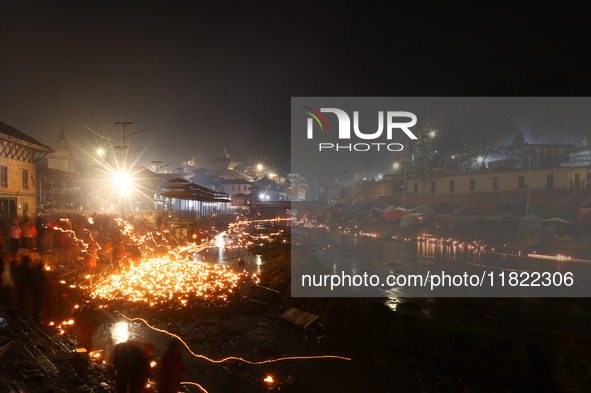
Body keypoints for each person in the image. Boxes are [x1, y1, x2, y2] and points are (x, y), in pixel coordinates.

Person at [30, 259, 47, 324]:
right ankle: (36, 319)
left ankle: (35, 317)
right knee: (38, 305)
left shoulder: (32, 272)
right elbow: (44, 283)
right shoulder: (41, 273)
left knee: (35, 305)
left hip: (33, 290)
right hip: (39, 291)